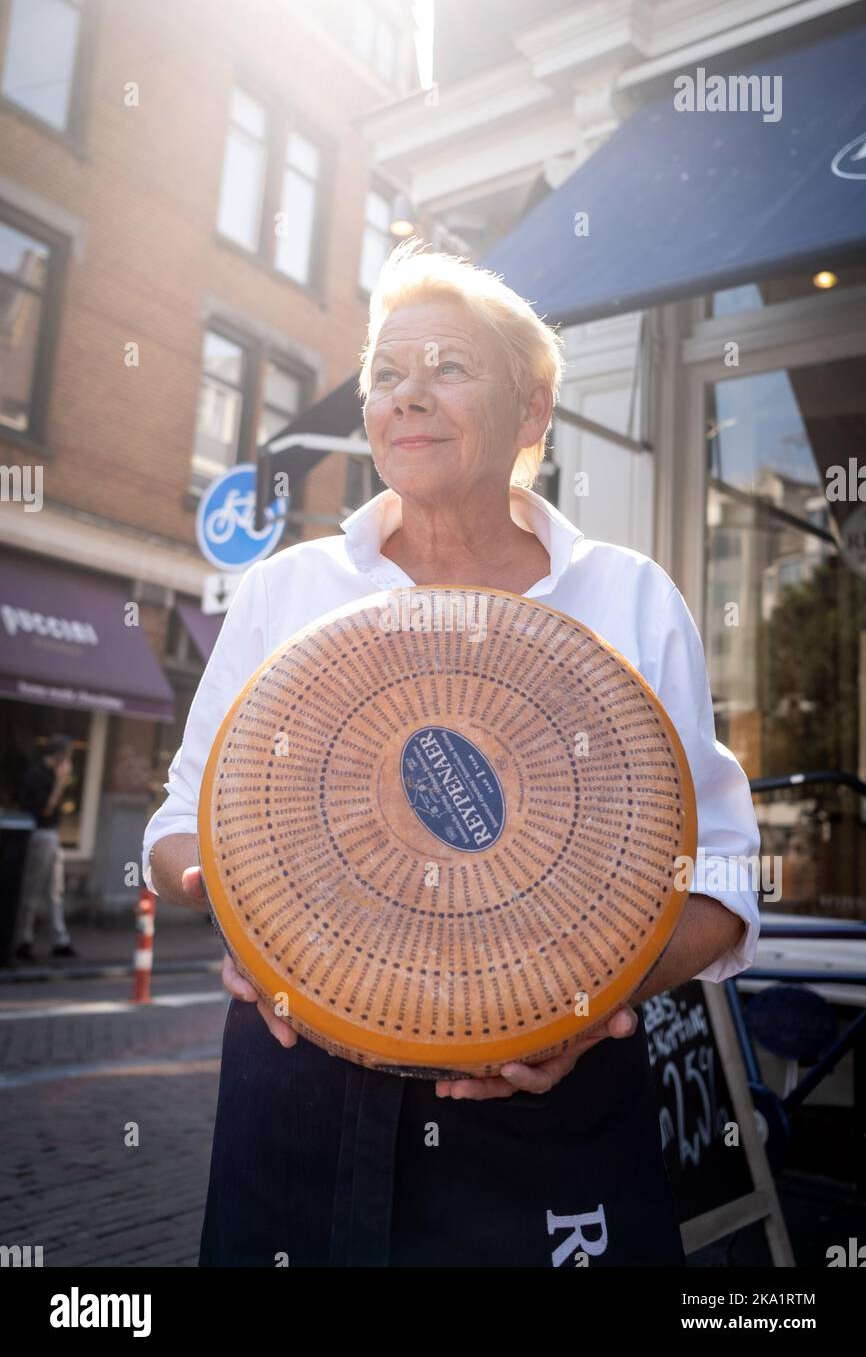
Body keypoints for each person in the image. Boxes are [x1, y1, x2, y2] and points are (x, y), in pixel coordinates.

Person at [142, 239, 761, 1267]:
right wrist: (232, 906)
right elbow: (178, 825)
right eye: (385, 372)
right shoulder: (286, 590)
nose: (405, 395)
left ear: (530, 413)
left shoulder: (627, 596)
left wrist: (592, 1007)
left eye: (448, 367)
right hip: (298, 1091)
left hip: (540, 1101)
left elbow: (722, 878)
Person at [15, 734, 77, 961]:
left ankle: (60, 940)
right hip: (40, 835)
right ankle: (23, 940)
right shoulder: (36, 776)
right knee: (31, 891)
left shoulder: (50, 774)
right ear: (59, 755)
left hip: (52, 836)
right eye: (67, 756)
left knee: (55, 891)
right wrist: (60, 784)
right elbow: (45, 811)